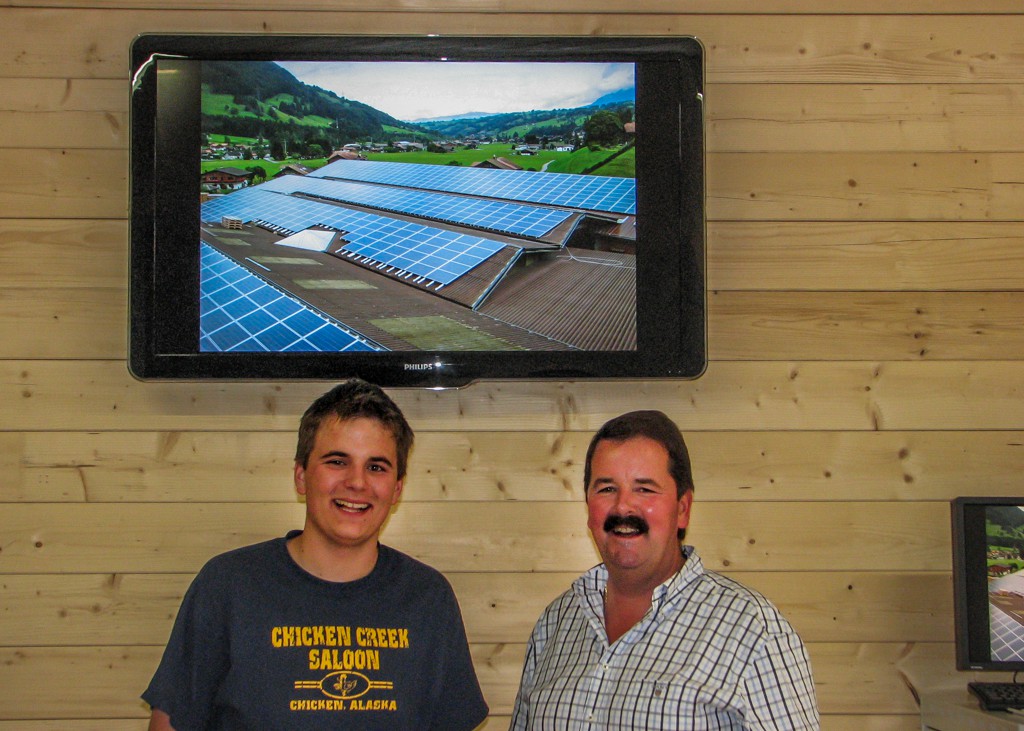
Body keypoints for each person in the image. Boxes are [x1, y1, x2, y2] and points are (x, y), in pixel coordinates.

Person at [143, 378, 488, 730]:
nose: (357, 482)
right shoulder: (228, 585)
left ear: (397, 488)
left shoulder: (428, 598)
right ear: (301, 476)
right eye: (337, 461)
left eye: (376, 467)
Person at [510, 410, 819, 730]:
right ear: (588, 508)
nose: (623, 506)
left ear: (683, 509)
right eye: (607, 489)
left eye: (644, 489)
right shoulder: (555, 623)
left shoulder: (753, 631)